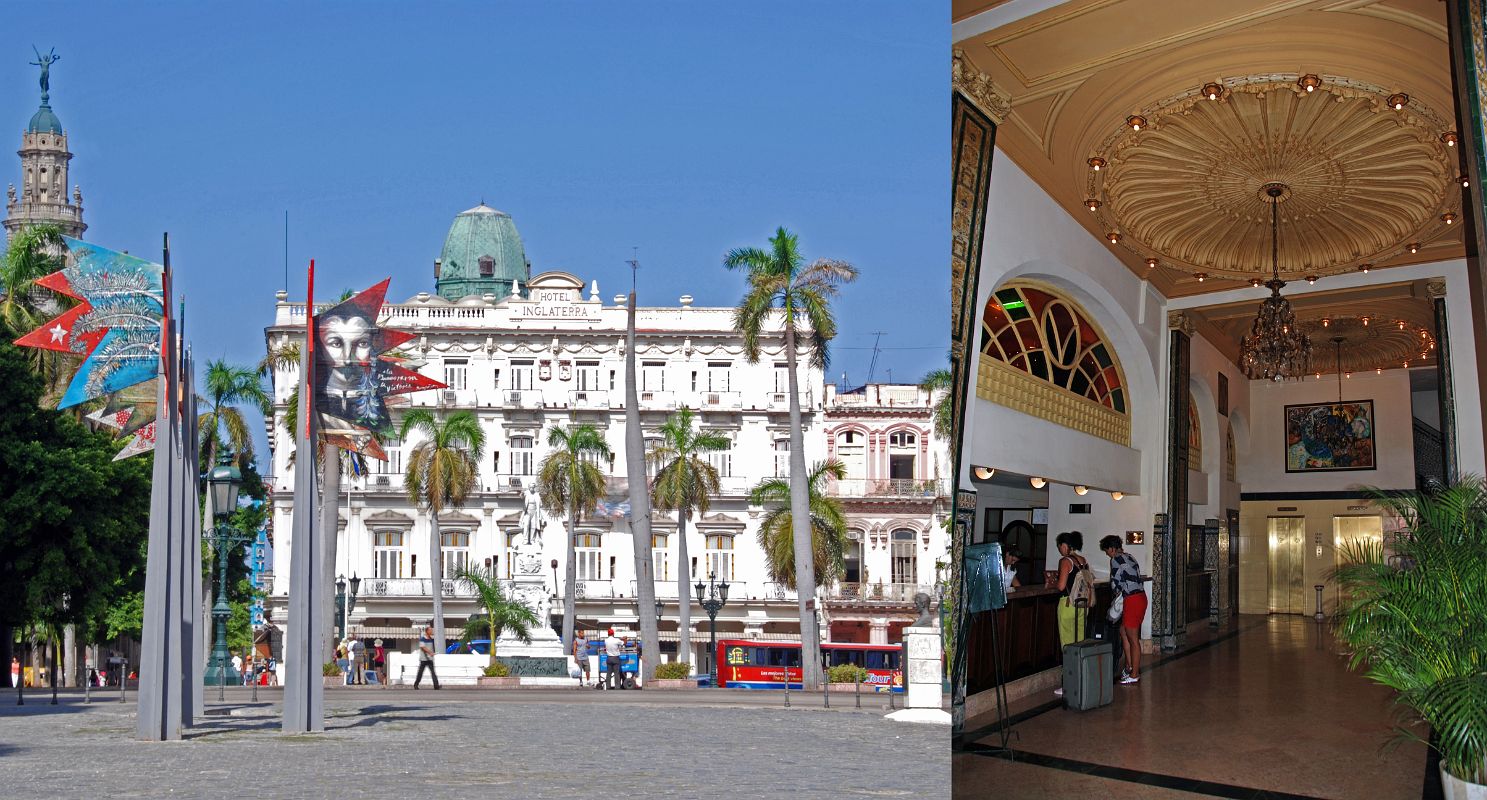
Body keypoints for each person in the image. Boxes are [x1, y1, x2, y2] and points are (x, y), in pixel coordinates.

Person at [1101, 535, 1147, 686]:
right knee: (1123, 631)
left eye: (1107, 550)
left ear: (1112, 548)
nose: (1107, 553)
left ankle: (1134, 673)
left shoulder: (1115, 559)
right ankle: (1128, 666)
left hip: (1132, 600)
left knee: (1133, 638)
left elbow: (1116, 584)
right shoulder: (1130, 556)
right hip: (1140, 597)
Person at [1053, 531, 1094, 697]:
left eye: (1059, 546)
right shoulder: (1083, 561)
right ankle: (1082, 678)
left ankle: (1069, 684)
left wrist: (1054, 581)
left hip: (1068, 605)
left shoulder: (1065, 561)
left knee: (1068, 646)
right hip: (1082, 605)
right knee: (1080, 642)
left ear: (1064, 545)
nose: (1059, 549)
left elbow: (1061, 586)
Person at [414, 625, 440, 689]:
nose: (431, 631)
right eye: (430, 630)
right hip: (423, 659)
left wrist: (432, 653)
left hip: (430, 659)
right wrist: (430, 652)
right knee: (420, 673)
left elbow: (431, 648)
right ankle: (416, 684)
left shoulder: (431, 639)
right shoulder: (422, 639)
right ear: (427, 631)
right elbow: (423, 647)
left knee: (433, 672)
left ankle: (436, 686)